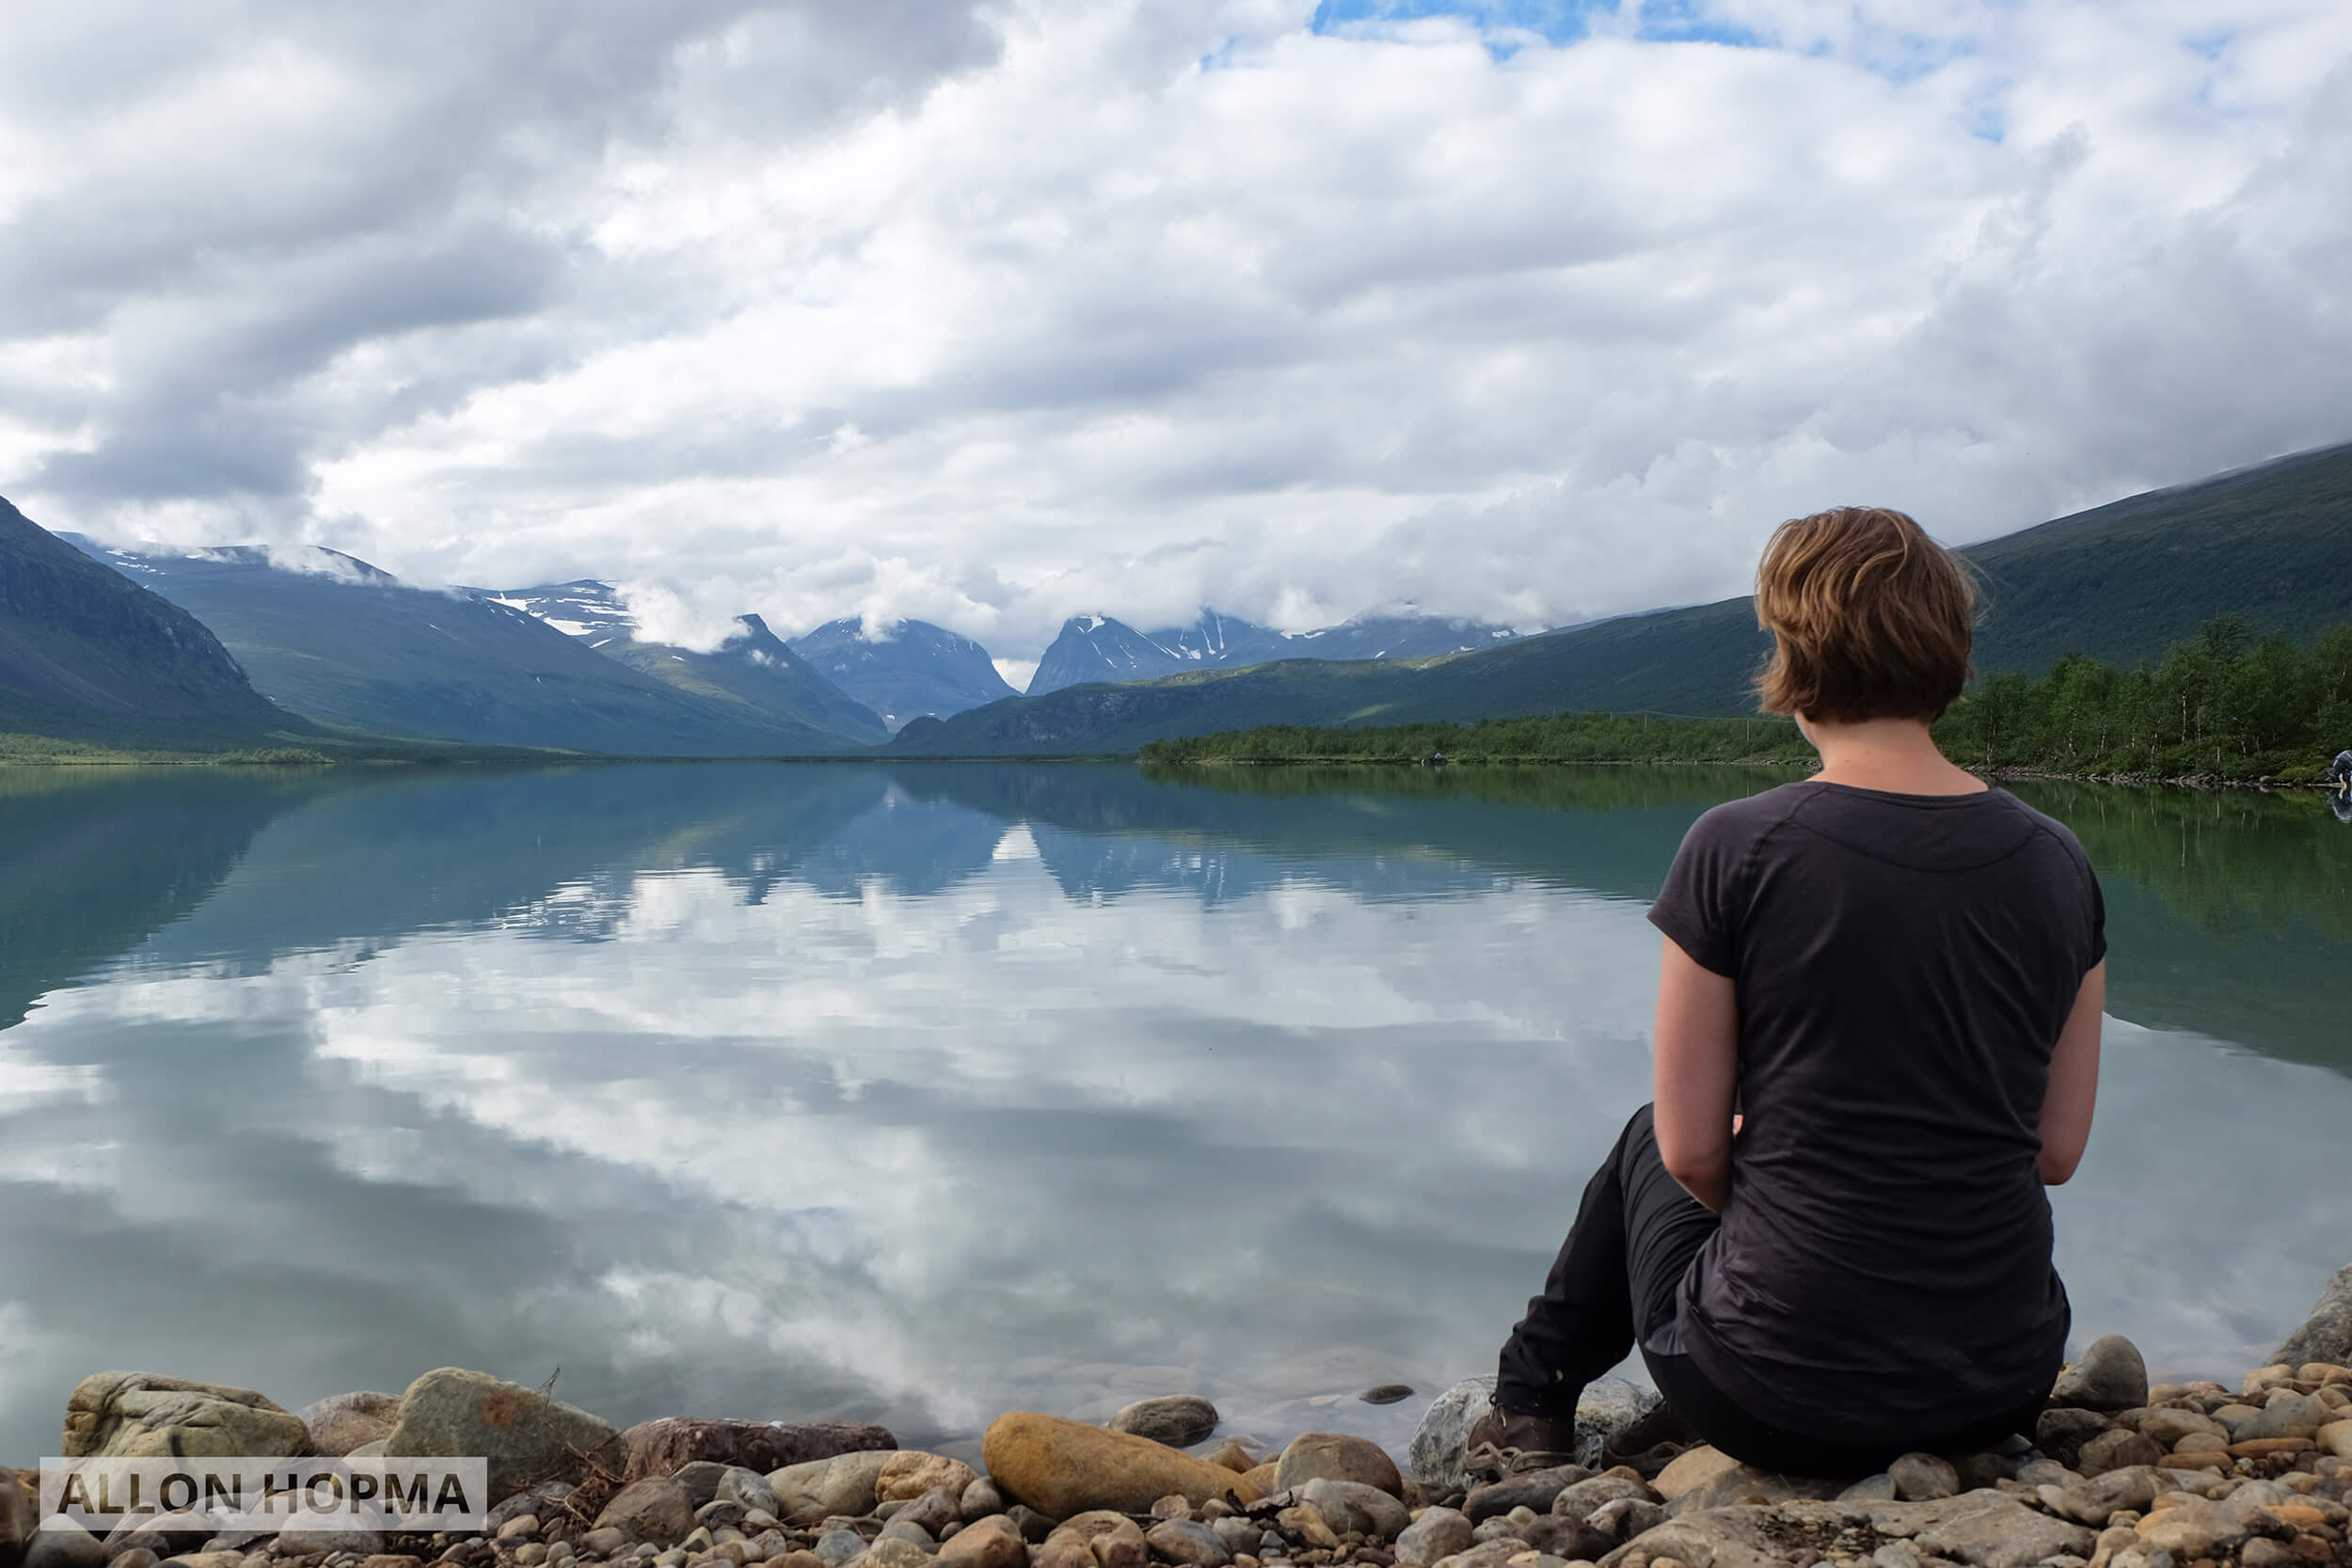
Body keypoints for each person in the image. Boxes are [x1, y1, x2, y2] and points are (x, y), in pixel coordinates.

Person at [1468, 506, 2107, 1477]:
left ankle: (1530, 1399)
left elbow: (1688, 1150)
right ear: (1948, 653)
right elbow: (2055, 1151)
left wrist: (1781, 1211)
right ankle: (1535, 1395)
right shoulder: (2059, 859)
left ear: (1793, 649)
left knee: (1650, 1130)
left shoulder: (1738, 845)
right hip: (2000, 1384)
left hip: (1770, 1393)